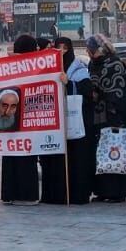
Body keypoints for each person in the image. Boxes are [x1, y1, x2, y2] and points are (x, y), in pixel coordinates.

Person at [85, 35, 126, 203]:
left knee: (116, 152)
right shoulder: (93, 64)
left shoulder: (115, 64)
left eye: (91, 49)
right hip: (98, 119)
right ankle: (103, 191)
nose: (89, 53)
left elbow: (119, 93)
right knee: (101, 154)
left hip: (116, 118)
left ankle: (118, 192)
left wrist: (99, 95)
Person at [40, 36, 92, 205]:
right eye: (57, 48)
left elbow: (87, 94)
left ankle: (77, 194)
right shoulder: (48, 68)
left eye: (64, 48)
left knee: (75, 160)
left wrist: (68, 84)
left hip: (74, 123)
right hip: (54, 123)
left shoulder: (79, 70)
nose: (61, 52)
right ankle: (55, 194)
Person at [0, 34, 41, 203]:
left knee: (11, 155)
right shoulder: (34, 65)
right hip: (25, 117)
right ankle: (26, 194)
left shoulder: (6, 66)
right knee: (26, 155)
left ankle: (10, 194)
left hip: (8, 117)